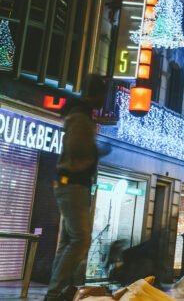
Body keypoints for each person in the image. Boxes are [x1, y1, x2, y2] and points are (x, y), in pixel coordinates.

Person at [45, 75, 108, 301]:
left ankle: (58, 290)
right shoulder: (81, 117)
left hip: (69, 184)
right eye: (102, 94)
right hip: (73, 184)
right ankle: (55, 292)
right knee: (81, 239)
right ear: (96, 94)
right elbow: (78, 150)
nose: (103, 100)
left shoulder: (79, 114)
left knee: (69, 241)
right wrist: (97, 152)